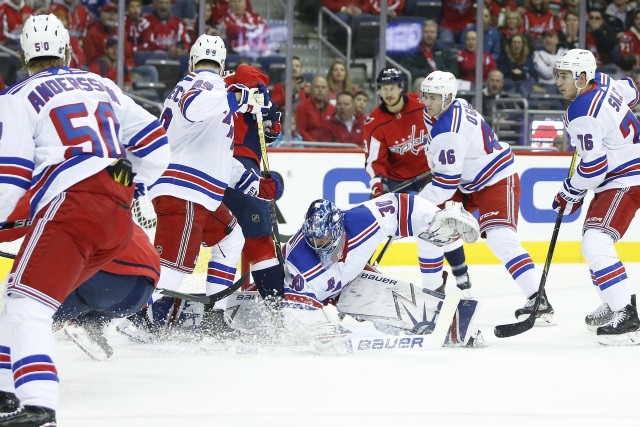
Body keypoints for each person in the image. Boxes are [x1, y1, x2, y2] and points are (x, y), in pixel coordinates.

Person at [0, 13, 170, 425]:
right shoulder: (104, 85)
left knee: (27, 306)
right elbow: (156, 143)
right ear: (68, 49)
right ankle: (5, 393)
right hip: (116, 216)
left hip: (71, 206)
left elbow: (11, 176)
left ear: (24, 55)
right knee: (17, 297)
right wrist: (128, 184)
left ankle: (40, 404)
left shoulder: (18, 96)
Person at [145, 35, 280, 329]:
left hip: (198, 193)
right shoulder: (205, 84)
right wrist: (237, 98)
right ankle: (134, 318)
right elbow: (194, 106)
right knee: (173, 268)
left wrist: (255, 185)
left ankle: (214, 316)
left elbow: (218, 157)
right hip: (184, 191)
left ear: (191, 59)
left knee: (231, 239)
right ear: (222, 67)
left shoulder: (211, 93)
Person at [418, 70, 551, 325]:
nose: (427, 101)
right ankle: (433, 298)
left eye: (433, 97)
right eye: (426, 96)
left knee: (502, 239)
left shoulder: (449, 129)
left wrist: (413, 204)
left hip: (495, 178)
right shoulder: (445, 109)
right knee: (429, 229)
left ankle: (539, 299)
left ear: (447, 98)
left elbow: (445, 184)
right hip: (466, 181)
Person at [280, 195, 480, 350]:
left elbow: (401, 204)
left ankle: (454, 327)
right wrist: (323, 332)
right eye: (314, 240)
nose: (319, 246)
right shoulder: (300, 263)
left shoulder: (363, 220)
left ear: (339, 228)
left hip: (349, 279)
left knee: (390, 301)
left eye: (324, 239)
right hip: (309, 294)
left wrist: (434, 217)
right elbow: (296, 307)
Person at [552, 49, 640, 345]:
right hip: (624, 173)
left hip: (626, 177)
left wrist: (570, 191)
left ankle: (626, 315)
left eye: (564, 76)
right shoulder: (604, 82)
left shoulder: (579, 112)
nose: (557, 82)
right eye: (557, 74)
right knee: (593, 237)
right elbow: (632, 90)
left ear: (581, 77)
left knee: (596, 240)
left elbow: (594, 166)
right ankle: (613, 298)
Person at [364, 67, 473, 291]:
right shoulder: (374, 122)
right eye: (384, 88)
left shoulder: (423, 105)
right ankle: (364, 270)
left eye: (392, 87)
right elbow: (375, 162)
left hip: (429, 178)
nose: (389, 93)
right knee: (379, 225)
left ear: (401, 88)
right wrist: (378, 187)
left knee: (443, 222)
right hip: (398, 182)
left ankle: (460, 271)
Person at [222, 64, 286, 303]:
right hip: (242, 164)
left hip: (204, 168)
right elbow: (271, 131)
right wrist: (269, 111)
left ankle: (160, 303)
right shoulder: (247, 83)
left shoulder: (204, 87)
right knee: (258, 240)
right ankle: (275, 306)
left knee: (213, 240)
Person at [295, 76, 336, 141]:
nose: (320, 90)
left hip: (328, 147)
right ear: (311, 89)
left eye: (323, 87)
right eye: (317, 87)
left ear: (328, 90)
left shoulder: (333, 109)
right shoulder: (302, 107)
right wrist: (314, 144)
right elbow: (300, 130)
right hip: (307, 147)